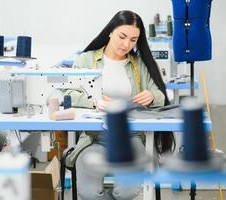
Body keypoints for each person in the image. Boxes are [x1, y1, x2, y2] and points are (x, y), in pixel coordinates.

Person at [63, 10, 175, 200]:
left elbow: (160, 95)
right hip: (94, 139)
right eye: (122, 37)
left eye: (133, 40)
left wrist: (151, 96)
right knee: (89, 193)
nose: (126, 44)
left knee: (126, 192)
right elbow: (68, 94)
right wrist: (93, 102)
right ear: (110, 31)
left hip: (131, 138)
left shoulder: (139, 64)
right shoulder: (86, 60)